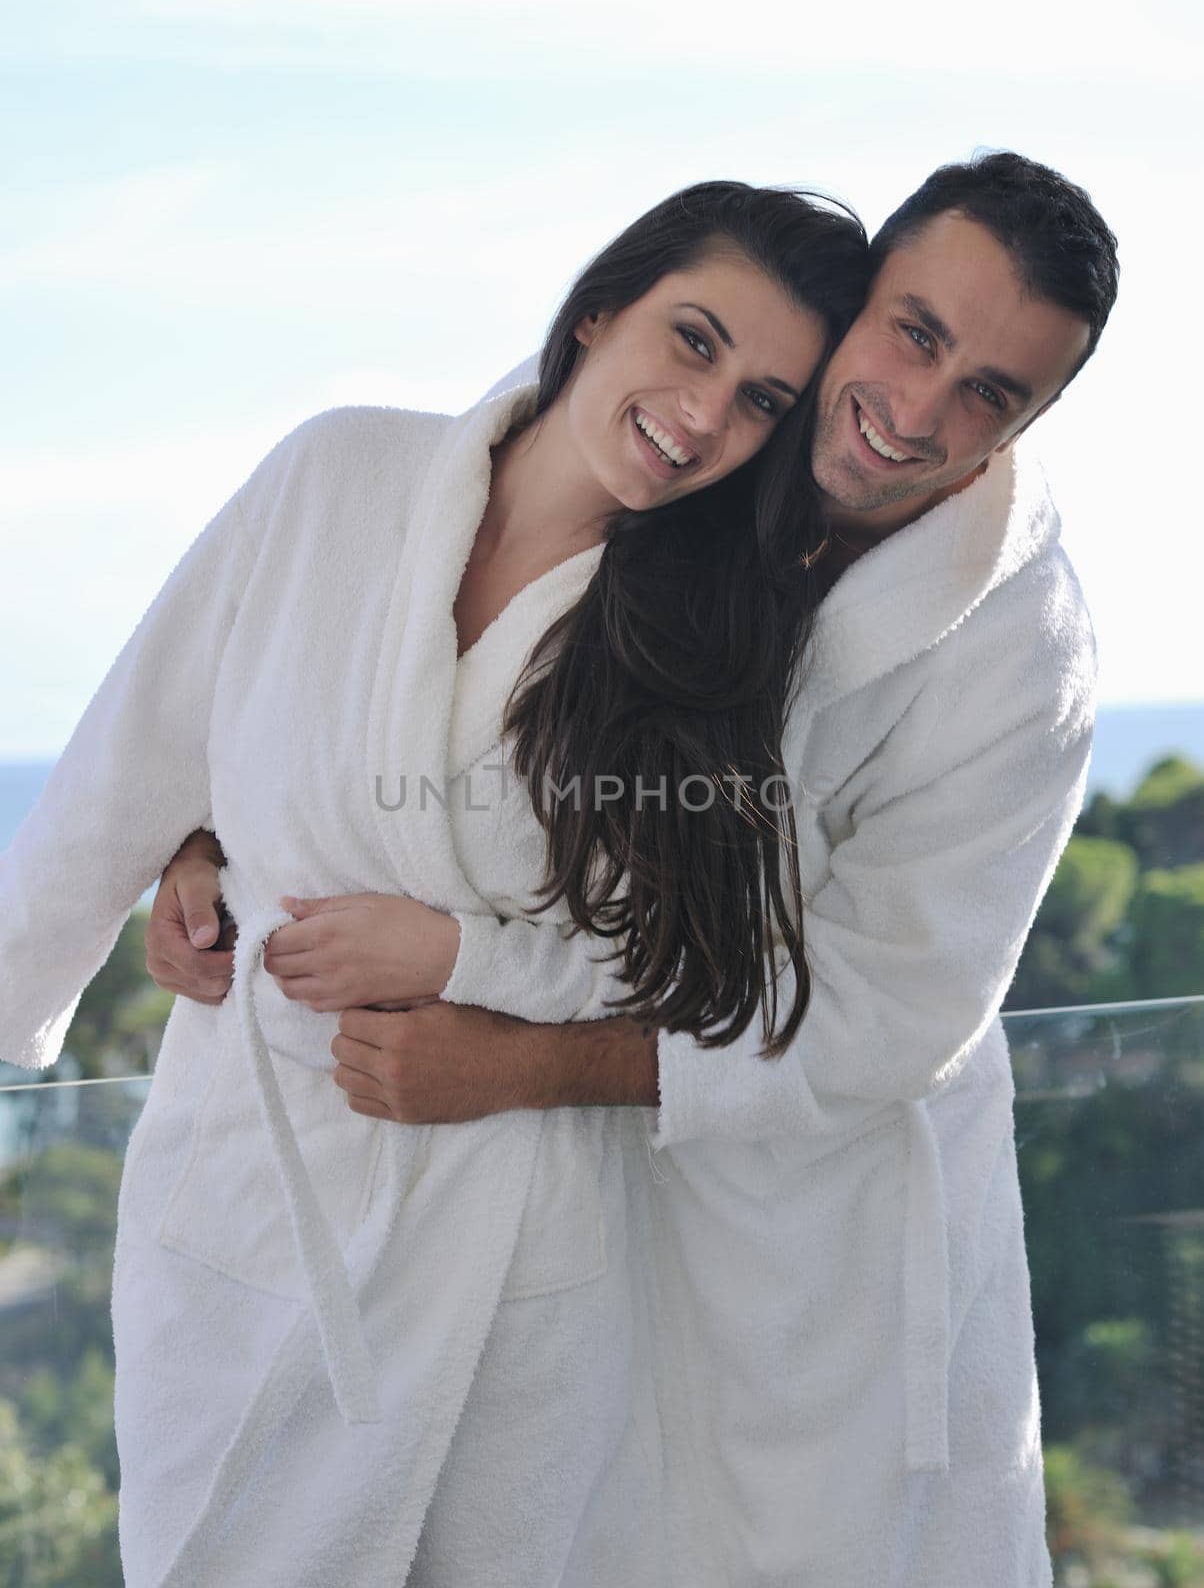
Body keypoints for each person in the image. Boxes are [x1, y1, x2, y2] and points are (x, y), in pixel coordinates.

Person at [158, 148, 1121, 1586]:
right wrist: (216, 828)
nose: (919, 411)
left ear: (1033, 420)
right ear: (855, 301)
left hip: (823, 1230)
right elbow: (415, 646)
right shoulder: (701, 449)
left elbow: (891, 1021)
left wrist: (522, 1059)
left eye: (992, 392)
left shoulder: (1019, 656)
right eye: (915, 332)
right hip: (583, 1206)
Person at [0, 182, 870, 1586]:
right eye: (693, 340)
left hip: (511, 1238)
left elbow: (710, 963)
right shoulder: (336, 478)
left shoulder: (715, 637)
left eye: (764, 398)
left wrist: (459, 955)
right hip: (253, 1194)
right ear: (600, 309)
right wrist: (184, 856)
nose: (707, 416)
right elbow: (136, 748)